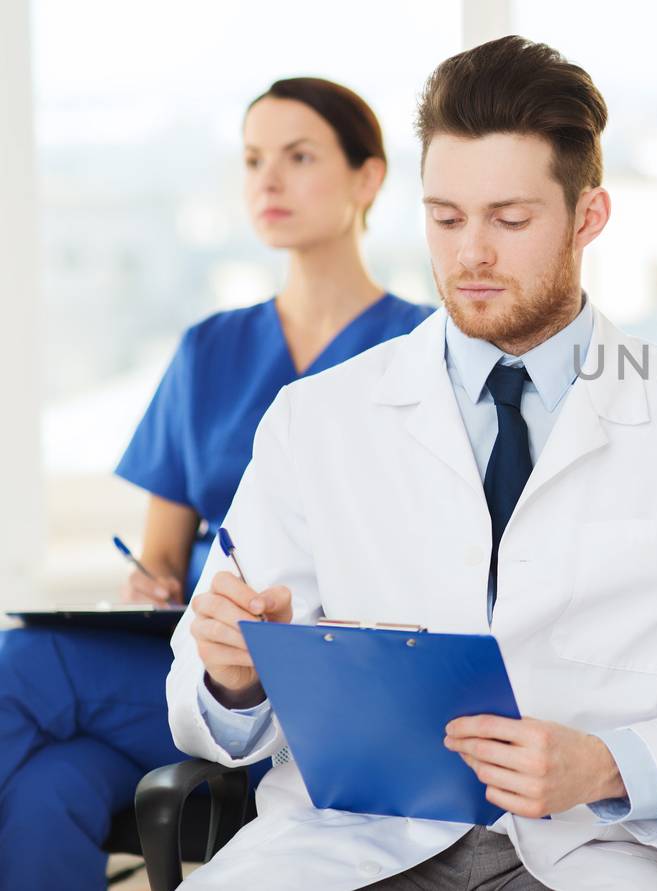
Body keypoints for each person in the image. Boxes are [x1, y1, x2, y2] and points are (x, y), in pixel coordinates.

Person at [164, 36, 657, 890]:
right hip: (345, 843)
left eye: (510, 220)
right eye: (445, 217)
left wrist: (610, 763)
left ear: (588, 217)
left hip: (586, 846)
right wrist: (232, 677)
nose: (471, 254)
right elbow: (211, 695)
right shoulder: (318, 419)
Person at [0, 77, 432, 890]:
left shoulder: (418, 353)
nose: (267, 181)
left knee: (19, 667)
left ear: (368, 178)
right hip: (196, 674)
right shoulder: (210, 346)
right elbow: (162, 556)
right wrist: (154, 581)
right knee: (48, 787)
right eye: (252, 160)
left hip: (329, 682)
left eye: (298, 157)